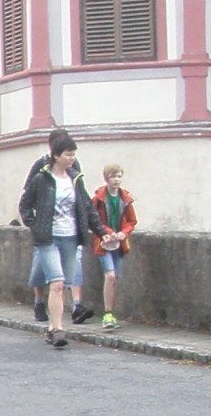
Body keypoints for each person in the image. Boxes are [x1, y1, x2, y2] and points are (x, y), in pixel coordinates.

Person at [19, 130, 101, 349]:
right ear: (56, 155)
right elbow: (25, 205)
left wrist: (102, 232)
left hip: (71, 237)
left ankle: (52, 327)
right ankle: (57, 329)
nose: (72, 159)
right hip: (48, 238)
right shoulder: (42, 178)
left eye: (73, 154)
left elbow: (87, 207)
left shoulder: (76, 179)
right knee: (56, 283)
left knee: (63, 284)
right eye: (68, 154)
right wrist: (35, 226)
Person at [91, 164, 136, 330]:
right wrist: (108, 232)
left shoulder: (125, 198)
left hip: (119, 243)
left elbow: (132, 221)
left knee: (115, 278)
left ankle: (111, 313)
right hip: (103, 243)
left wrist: (123, 233)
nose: (116, 180)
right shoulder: (99, 198)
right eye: (113, 177)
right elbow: (94, 220)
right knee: (109, 276)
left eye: (119, 176)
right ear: (106, 179)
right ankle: (107, 314)